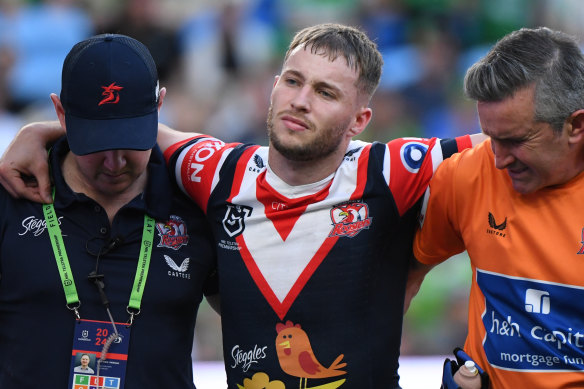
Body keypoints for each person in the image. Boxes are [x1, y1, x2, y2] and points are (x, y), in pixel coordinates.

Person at [0, 24, 482, 389]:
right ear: (272, 86)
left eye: (325, 92)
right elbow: (131, 125)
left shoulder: (393, 168)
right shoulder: (215, 172)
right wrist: (42, 131)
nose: (300, 101)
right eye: (293, 81)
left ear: (361, 119)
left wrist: (417, 265)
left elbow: (512, 143)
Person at [0, 33, 216, 389]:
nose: (114, 162)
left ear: (159, 108)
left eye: (130, 140)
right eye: (97, 143)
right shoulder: (13, 193)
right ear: (61, 114)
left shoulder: (197, 203)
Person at [412, 27, 584, 388]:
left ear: (576, 125)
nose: (499, 159)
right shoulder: (467, 175)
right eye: (491, 137)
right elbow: (406, 274)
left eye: (516, 140)